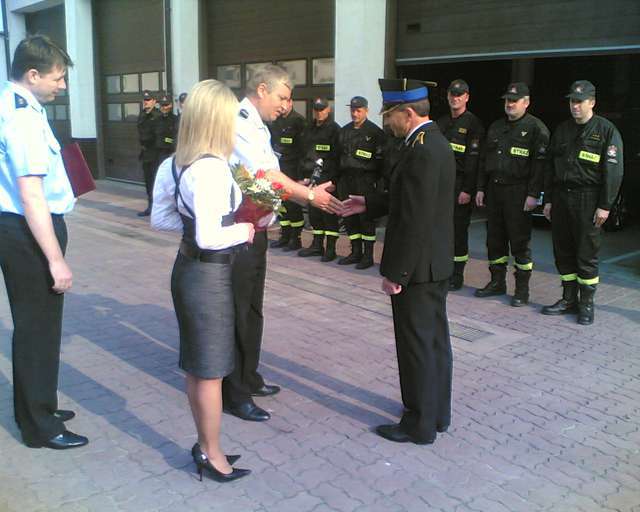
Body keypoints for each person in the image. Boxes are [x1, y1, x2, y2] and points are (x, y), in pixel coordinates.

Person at [223, 64, 341, 422]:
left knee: (252, 310)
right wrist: (309, 196)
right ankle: (234, 392)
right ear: (262, 89)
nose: (286, 106)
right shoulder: (239, 121)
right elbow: (266, 175)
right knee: (238, 313)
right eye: (283, 97)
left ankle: (248, 375)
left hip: (256, 231)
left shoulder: (258, 124)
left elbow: (270, 178)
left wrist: (299, 187)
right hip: (238, 233)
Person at [343, 78, 455, 445]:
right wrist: (368, 202)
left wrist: (397, 273)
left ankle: (418, 424)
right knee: (433, 342)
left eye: (388, 114)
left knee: (416, 346)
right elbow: (406, 198)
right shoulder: (430, 142)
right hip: (432, 264)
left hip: (417, 268)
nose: (386, 121)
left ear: (407, 113)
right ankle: (436, 414)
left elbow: (414, 218)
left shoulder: (422, 150)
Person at [150, 79, 252, 482]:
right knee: (209, 371)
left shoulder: (174, 163)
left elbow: (161, 219)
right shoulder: (210, 169)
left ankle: (206, 443)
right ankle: (212, 453)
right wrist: (244, 230)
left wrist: (193, 227)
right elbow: (211, 237)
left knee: (198, 368)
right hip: (208, 275)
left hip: (188, 270)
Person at [0, 35, 88, 449]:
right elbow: (31, 192)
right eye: (58, 77)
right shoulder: (23, 118)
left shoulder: (14, 104)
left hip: (19, 228)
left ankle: (39, 407)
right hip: (29, 231)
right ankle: (40, 426)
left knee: (37, 327)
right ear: (32, 75)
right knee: (38, 330)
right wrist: (55, 259)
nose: (63, 85)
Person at [541, 80, 623, 325]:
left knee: (586, 253)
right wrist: (548, 200)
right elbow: (550, 167)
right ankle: (568, 299)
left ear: (592, 102)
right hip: (561, 196)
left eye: (579, 101)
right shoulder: (563, 130)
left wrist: (605, 205)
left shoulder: (606, 130)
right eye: (572, 101)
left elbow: (614, 172)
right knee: (563, 250)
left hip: (588, 198)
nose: (574, 106)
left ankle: (586, 304)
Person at [475, 82, 550, 307]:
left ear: (526, 102)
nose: (509, 104)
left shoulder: (536, 129)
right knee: (494, 240)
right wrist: (480, 187)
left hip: (519, 192)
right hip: (495, 190)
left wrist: (533, 194)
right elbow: (483, 160)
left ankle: (522, 290)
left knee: (519, 242)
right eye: (507, 100)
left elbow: (540, 166)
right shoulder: (496, 126)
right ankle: (497, 282)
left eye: (514, 101)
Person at [436, 79, 484, 290]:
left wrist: (467, 189)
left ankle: (457, 275)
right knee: (440, 230)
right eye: (452, 94)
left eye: (459, 95)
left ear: (467, 97)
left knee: (457, 232)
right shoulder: (441, 123)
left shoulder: (473, 124)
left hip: (460, 187)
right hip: (441, 185)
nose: (455, 98)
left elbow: (475, 161)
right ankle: (442, 269)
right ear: (448, 96)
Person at [337, 96, 385, 269]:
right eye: (352, 110)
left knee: (366, 219)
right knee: (349, 217)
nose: (355, 114)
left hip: (365, 180)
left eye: (358, 110)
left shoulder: (375, 133)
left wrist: (377, 184)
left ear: (366, 110)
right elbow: (337, 157)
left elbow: (381, 162)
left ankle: (368, 255)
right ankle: (355, 252)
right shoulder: (344, 131)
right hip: (346, 180)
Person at [297, 97, 341, 262]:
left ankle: (330, 248)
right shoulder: (309, 128)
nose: (319, 113)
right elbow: (304, 153)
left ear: (328, 109)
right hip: (311, 177)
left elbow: (338, 158)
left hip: (327, 177)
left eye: (322, 109)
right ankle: (317, 245)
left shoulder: (335, 130)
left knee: (328, 213)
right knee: (314, 213)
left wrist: (334, 181)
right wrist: (303, 175)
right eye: (316, 110)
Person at [268, 96, 306, 251]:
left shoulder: (298, 121)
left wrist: (301, 174)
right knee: (282, 204)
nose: (282, 105)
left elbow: (303, 149)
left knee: (293, 205)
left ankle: (295, 238)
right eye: (280, 101)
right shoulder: (276, 121)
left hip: (293, 169)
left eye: (285, 102)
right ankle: (285, 236)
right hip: (279, 168)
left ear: (291, 102)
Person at [137, 89, 160, 216]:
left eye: (148, 100)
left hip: (156, 154)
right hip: (145, 154)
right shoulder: (142, 115)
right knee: (148, 182)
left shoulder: (157, 116)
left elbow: (165, 137)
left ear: (154, 101)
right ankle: (150, 206)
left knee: (156, 182)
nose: (146, 102)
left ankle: (157, 208)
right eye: (144, 100)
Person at [154, 93, 177, 166]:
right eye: (162, 105)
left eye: (166, 105)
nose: (164, 107)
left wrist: (166, 140)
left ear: (171, 105)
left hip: (171, 152)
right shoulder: (156, 120)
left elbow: (176, 138)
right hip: (158, 153)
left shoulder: (175, 119)